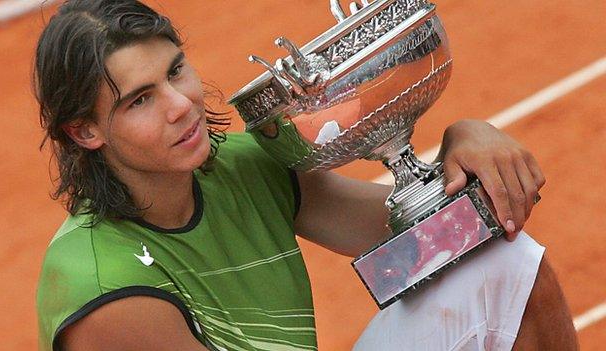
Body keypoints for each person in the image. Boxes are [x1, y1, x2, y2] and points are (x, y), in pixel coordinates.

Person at [34, 1, 577, 350]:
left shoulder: (240, 169)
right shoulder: (104, 289)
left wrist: (464, 141)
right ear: (86, 132)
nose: (182, 106)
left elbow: (430, 242)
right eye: (140, 100)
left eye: (176, 70)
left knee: (505, 264)